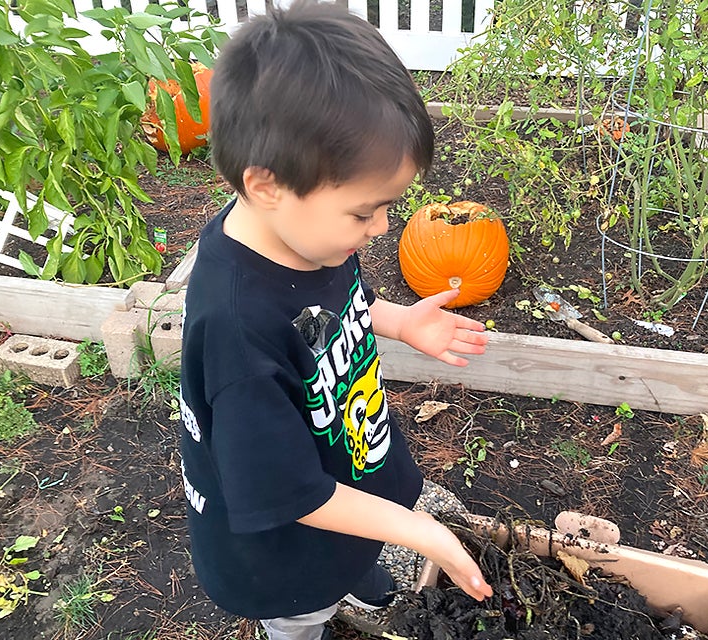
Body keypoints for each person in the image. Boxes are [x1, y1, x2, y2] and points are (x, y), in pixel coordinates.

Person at [177, 2, 494, 639]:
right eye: (364, 212)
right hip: (284, 545)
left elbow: (328, 310)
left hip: (340, 461)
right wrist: (421, 531)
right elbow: (289, 491)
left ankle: (352, 566)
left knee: (352, 543)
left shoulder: (305, 238)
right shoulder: (238, 333)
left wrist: (398, 323)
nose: (381, 227)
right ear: (267, 186)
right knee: (303, 609)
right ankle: (310, 615)